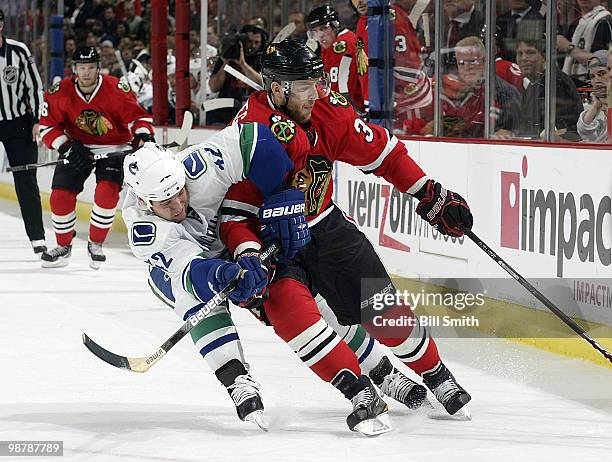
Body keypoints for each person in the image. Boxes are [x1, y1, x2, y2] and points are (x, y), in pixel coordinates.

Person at [229, 39, 473, 417]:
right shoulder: (249, 133)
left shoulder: (329, 111)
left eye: (319, 82)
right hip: (271, 242)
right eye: (307, 86)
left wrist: (429, 193)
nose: (318, 93)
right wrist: (245, 254)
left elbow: (383, 155)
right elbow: (233, 210)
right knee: (310, 320)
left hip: (324, 227)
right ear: (277, 88)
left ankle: (437, 375)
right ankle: (379, 378)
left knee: (383, 312)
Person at [123, 124, 392, 435]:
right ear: (144, 201)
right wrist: (225, 273)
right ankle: (236, 379)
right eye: (165, 203)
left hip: (240, 240)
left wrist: (284, 197)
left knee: (295, 301)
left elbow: (254, 138)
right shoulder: (145, 231)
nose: (179, 205)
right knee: (197, 301)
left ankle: (379, 369)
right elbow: (191, 272)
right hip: (188, 273)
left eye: (180, 192)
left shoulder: (197, 167)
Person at [38, 46, 154, 269]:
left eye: (91, 67)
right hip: (78, 148)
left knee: (106, 194)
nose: (86, 72)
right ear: (74, 69)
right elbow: (47, 125)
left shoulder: (115, 88)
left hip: (114, 147)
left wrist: (143, 134)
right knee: (60, 196)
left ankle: (95, 243)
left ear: (98, 68)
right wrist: (66, 148)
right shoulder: (59, 91)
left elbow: (138, 117)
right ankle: (63, 246)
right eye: (82, 67)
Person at [0, 9, 46, 255]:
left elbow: (35, 87)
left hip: (18, 123)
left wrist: (38, 120)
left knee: (26, 180)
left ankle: (37, 238)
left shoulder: (18, 51)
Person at [515, 38, 583, 141]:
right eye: (520, 53)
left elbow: (565, 131)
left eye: (530, 53)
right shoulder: (532, 86)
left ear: (544, 57)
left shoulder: (556, 82)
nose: (523, 58)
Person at [306, 5, 368, 114]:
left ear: (335, 26)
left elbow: (339, 91)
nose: (320, 35)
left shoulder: (343, 44)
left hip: (351, 111)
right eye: (315, 31)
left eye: (323, 28)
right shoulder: (330, 44)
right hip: (350, 108)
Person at [558, 0, 612, 85]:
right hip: (573, 84)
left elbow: (603, 62)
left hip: (594, 85)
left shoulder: (604, 21)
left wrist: (568, 47)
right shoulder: (575, 24)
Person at [577, 50, 610, 142]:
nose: (596, 80)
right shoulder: (599, 104)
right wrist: (596, 106)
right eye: (592, 76)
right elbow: (584, 132)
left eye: (602, 73)